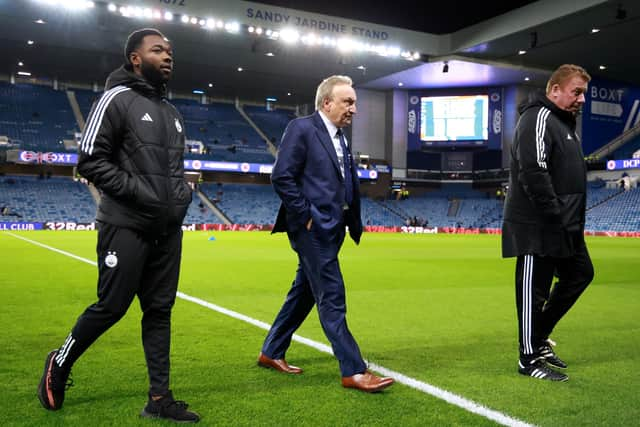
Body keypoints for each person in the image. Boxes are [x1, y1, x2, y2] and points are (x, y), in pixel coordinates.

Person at [37, 28, 199, 422]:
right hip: (125, 224)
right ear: (135, 59)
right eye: (157, 50)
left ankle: (159, 399)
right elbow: (89, 160)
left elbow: (175, 172)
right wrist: (141, 193)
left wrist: (180, 197)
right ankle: (58, 364)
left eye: (170, 51)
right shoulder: (115, 99)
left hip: (167, 230)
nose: (167, 56)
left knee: (159, 311)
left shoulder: (173, 114)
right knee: (111, 306)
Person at [258, 75, 393, 393]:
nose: (354, 109)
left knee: (303, 292)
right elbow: (282, 176)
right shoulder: (302, 128)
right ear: (326, 102)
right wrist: (305, 216)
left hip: (334, 229)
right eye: (348, 102)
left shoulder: (340, 137)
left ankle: (271, 350)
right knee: (332, 295)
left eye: (355, 102)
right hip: (313, 230)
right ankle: (354, 369)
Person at [502, 64, 595, 382]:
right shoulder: (537, 117)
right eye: (576, 92)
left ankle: (538, 338)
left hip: (565, 226)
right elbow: (532, 169)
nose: (582, 99)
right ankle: (528, 359)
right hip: (537, 225)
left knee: (581, 274)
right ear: (555, 90)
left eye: (584, 93)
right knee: (533, 290)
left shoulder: (565, 125)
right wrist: (553, 213)